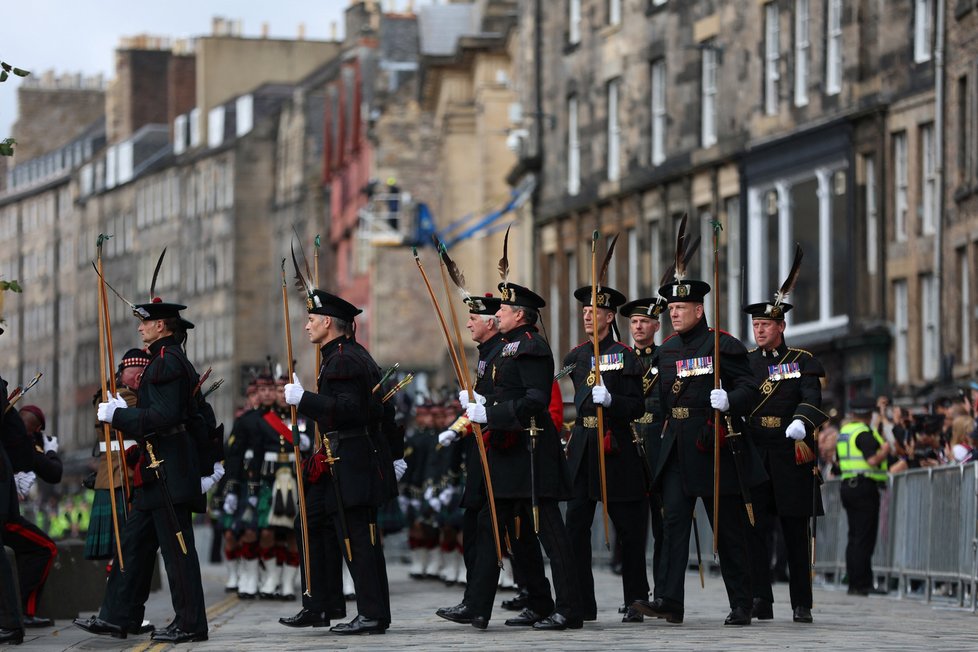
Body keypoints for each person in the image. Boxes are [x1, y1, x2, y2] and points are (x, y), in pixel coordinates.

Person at [441, 279, 582, 630]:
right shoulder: (504, 347)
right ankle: (483, 605)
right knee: (497, 530)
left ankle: (569, 608)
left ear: (519, 315)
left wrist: (491, 413)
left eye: (502, 310)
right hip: (508, 454)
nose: (497, 314)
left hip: (531, 451)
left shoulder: (531, 346)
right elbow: (502, 392)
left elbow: (535, 399)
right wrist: (481, 403)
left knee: (550, 534)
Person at [631, 265, 763, 626]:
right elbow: (658, 399)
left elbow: (750, 388)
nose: (673, 313)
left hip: (712, 444)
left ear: (699, 310)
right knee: (673, 522)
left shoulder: (723, 344)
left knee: (727, 526)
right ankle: (670, 599)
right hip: (676, 445)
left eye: (681, 307)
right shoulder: (667, 350)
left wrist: (729, 400)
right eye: (671, 308)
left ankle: (741, 602)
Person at [75, 295, 213, 643]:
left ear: (161, 325)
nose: (140, 327)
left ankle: (190, 623)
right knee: (134, 544)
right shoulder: (163, 360)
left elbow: (165, 417)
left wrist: (119, 416)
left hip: (168, 468)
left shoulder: (166, 362)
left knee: (177, 552)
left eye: (145, 322)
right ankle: (118, 617)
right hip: (156, 470)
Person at [284, 288, 390, 635]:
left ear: (328, 322)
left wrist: (305, 400)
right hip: (337, 459)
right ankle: (321, 603)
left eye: (311, 320)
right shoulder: (339, 355)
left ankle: (372, 613)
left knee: (358, 536)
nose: (306, 327)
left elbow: (349, 411)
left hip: (351, 458)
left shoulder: (343, 359)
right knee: (311, 521)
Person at [562, 286, 647, 623]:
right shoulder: (576, 357)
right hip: (583, 444)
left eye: (594, 311)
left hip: (614, 445)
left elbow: (637, 405)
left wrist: (612, 401)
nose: (586, 315)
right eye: (584, 310)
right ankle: (582, 602)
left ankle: (636, 600)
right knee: (575, 527)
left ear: (609, 316)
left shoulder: (626, 355)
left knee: (628, 528)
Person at [742, 294, 827, 624]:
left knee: (795, 531)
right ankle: (760, 597)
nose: (759, 330)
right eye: (756, 325)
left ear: (782, 326)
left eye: (765, 324)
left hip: (790, 451)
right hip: (756, 450)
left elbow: (812, 397)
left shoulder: (802, 360)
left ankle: (801, 602)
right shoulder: (747, 362)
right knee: (755, 529)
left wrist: (801, 421)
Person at [434, 294, 508, 615]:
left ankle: (479, 603)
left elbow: (499, 403)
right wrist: (456, 427)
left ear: (491, 323)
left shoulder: (503, 353)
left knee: (487, 532)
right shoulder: (485, 355)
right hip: (478, 455)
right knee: (472, 527)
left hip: (498, 454)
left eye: (474, 319)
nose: (468, 324)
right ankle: (472, 599)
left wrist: (481, 402)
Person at [618, 296, 667, 607]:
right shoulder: (621, 359)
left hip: (660, 446)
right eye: (634, 322)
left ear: (656, 326)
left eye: (644, 322)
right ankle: (636, 594)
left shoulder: (667, 359)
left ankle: (663, 593)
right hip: (631, 447)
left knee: (663, 526)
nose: (638, 326)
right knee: (632, 529)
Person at [84, 348, 150, 562]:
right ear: (139, 375)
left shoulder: (111, 392)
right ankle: (116, 591)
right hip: (122, 475)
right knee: (125, 552)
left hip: (115, 475)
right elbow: (150, 419)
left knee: (123, 552)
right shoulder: (124, 395)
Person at [6, 405, 61, 628]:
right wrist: (49, 450)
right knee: (46, 548)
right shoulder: (23, 441)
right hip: (6, 517)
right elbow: (53, 472)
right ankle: (23, 612)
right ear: (35, 429)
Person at [836, 396, 889, 596]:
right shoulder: (864, 434)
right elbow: (873, 460)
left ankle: (854, 581)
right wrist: (884, 451)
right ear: (869, 414)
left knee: (854, 536)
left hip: (848, 485)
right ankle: (862, 583)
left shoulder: (845, 432)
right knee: (864, 537)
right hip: (864, 487)